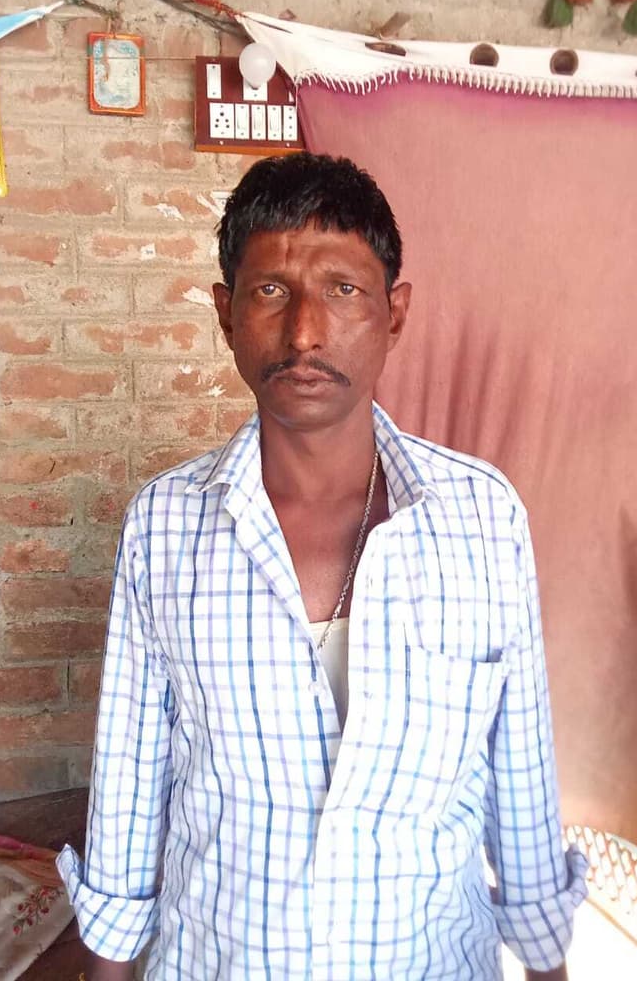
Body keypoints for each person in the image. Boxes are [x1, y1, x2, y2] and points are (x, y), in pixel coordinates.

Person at [57, 152, 586, 980]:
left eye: (342, 289)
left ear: (394, 313)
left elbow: (521, 774)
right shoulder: (166, 525)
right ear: (227, 313)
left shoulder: (482, 520)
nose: (304, 332)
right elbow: (127, 781)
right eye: (271, 290)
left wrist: (549, 963)